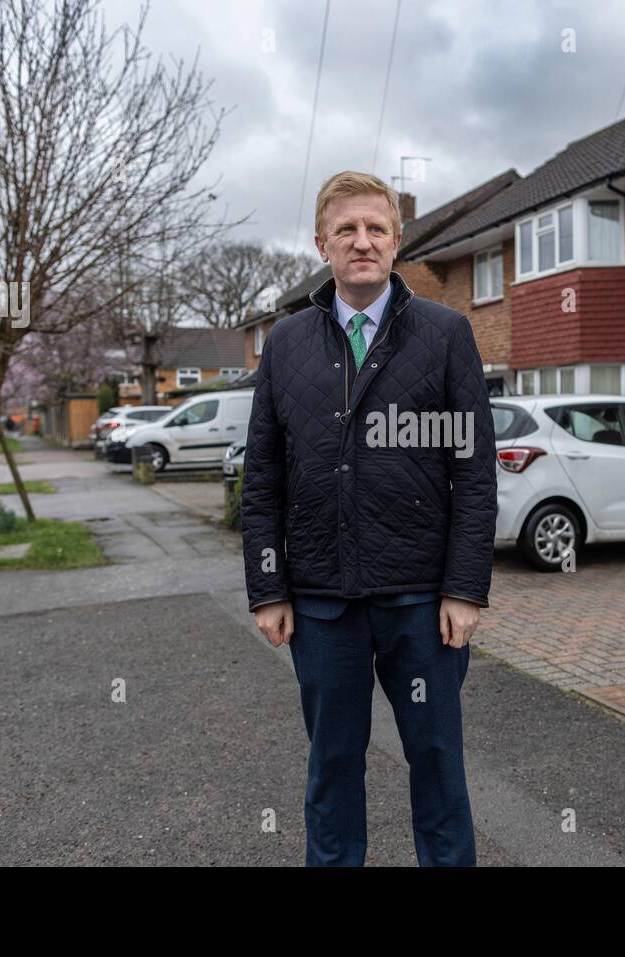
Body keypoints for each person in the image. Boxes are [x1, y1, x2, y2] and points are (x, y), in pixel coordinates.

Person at [241, 171, 497, 866]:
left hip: (422, 604)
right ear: (322, 243)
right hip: (322, 604)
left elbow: (473, 471)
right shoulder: (287, 345)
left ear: (396, 242)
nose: (362, 242)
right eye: (347, 230)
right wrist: (268, 587)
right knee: (331, 771)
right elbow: (260, 475)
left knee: (439, 768)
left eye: (376, 229)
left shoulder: (445, 335)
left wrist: (466, 587)